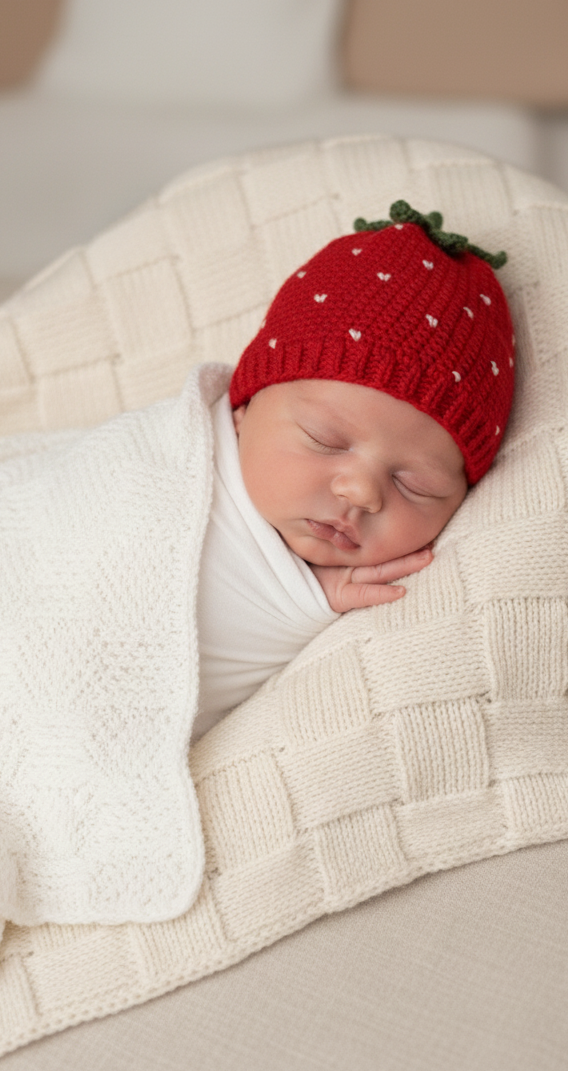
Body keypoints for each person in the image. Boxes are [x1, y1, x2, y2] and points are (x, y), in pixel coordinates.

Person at [193, 200, 515, 738]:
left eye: (415, 485)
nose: (362, 492)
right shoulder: (168, 466)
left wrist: (311, 601)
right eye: (325, 440)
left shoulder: (357, 606)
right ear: (242, 413)